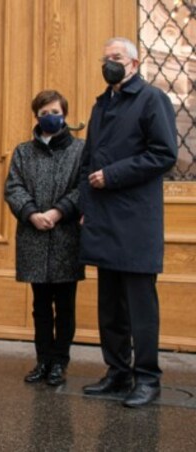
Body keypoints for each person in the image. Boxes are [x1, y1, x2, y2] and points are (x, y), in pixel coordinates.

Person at [79, 37, 178, 408]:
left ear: (134, 64)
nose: (110, 64)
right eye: (105, 59)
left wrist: (113, 175)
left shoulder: (152, 99)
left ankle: (147, 380)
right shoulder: (101, 105)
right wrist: (86, 205)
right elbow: (88, 162)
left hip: (136, 220)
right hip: (103, 219)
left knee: (140, 308)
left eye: (116, 58)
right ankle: (117, 373)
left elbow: (164, 154)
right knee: (110, 307)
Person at [4, 90, 85, 386]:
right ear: (36, 116)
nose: (50, 117)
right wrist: (31, 213)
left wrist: (58, 212)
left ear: (64, 113)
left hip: (65, 236)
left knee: (65, 305)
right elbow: (13, 187)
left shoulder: (79, 150)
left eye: (55, 111)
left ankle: (59, 363)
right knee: (40, 305)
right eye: (44, 112)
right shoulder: (23, 152)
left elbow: (82, 187)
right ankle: (42, 360)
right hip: (34, 236)